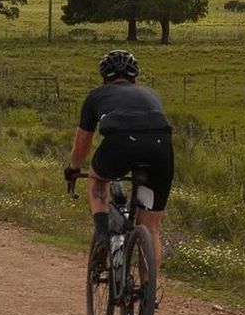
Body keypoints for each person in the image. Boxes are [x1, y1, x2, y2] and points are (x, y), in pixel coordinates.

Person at [63, 49, 174, 272]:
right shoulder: (150, 93)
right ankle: (147, 296)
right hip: (161, 148)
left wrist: (74, 169)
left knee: (97, 179)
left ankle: (103, 235)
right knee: (151, 228)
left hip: (121, 145)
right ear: (135, 76)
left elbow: (83, 144)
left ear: (104, 76)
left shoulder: (97, 95)